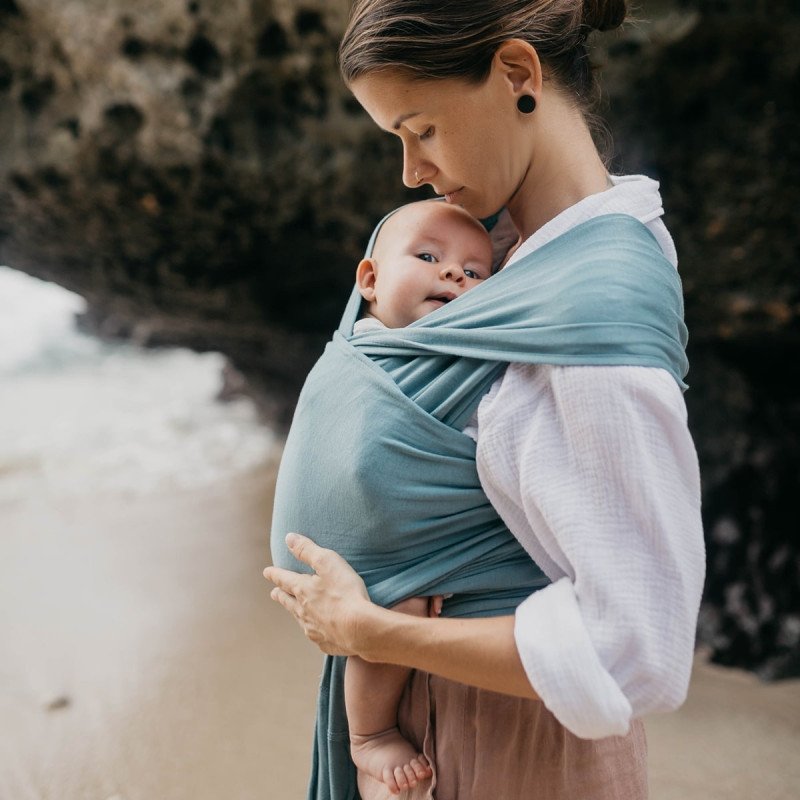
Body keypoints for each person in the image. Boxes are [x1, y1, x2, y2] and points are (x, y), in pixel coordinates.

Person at [265, 1, 706, 799]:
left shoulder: (590, 308)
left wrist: (373, 631)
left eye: (420, 128)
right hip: (429, 714)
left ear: (515, 75)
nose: (409, 170)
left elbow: (638, 649)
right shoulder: (505, 262)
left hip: (516, 741)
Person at [347, 199, 493, 794]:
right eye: (429, 256)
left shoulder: (467, 356)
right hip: (375, 543)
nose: (454, 274)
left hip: (422, 540)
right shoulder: (364, 347)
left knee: (404, 613)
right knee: (395, 612)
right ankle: (368, 736)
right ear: (371, 282)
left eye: (476, 273)